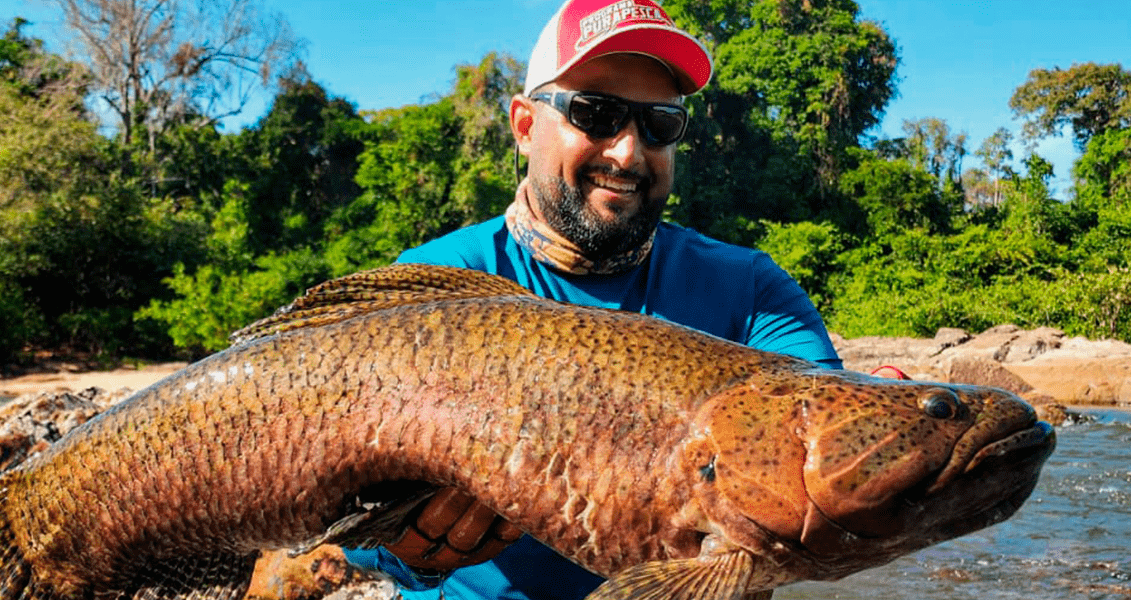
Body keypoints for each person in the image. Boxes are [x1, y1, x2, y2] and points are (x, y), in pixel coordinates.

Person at [341, 1, 844, 599]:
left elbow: (831, 458)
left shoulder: (752, 290)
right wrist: (407, 554)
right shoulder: (432, 285)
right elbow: (338, 520)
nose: (628, 153)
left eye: (659, 123)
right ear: (526, 126)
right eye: (597, 114)